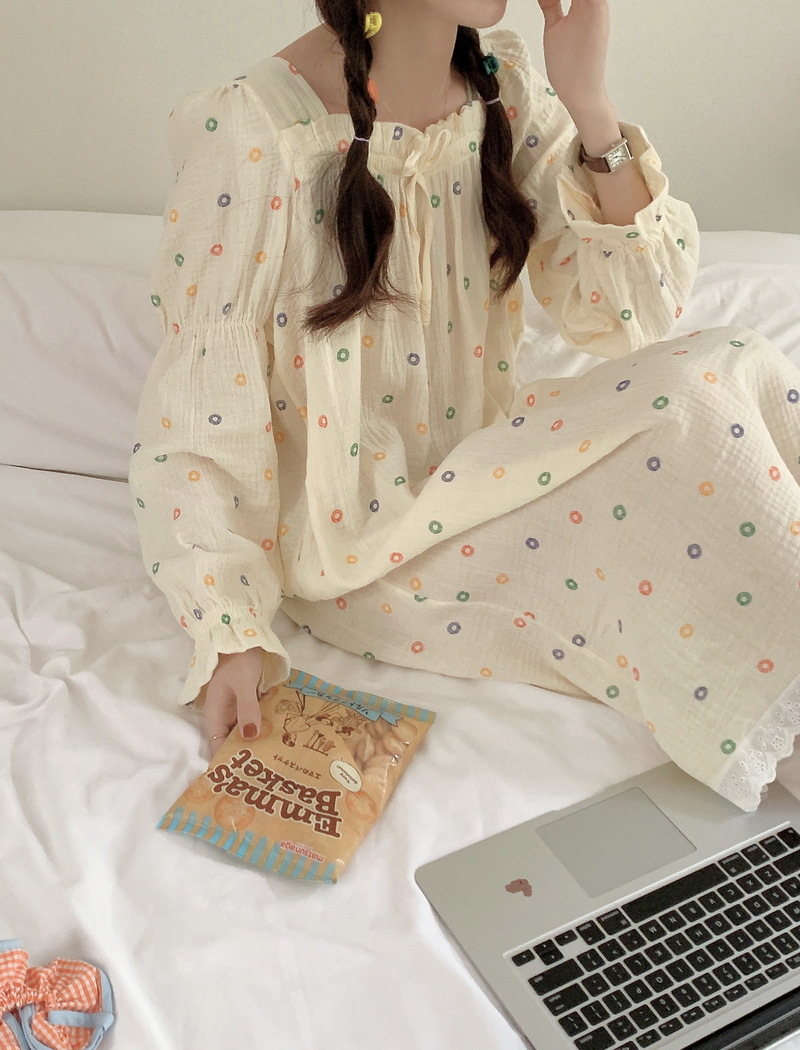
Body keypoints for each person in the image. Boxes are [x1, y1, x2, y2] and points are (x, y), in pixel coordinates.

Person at [129, 0, 800, 812]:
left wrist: (590, 103)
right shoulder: (256, 131)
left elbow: (629, 310)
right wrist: (229, 629)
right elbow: (199, 421)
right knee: (683, 419)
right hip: (367, 548)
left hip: (490, 471)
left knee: (734, 366)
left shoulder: (500, 88)